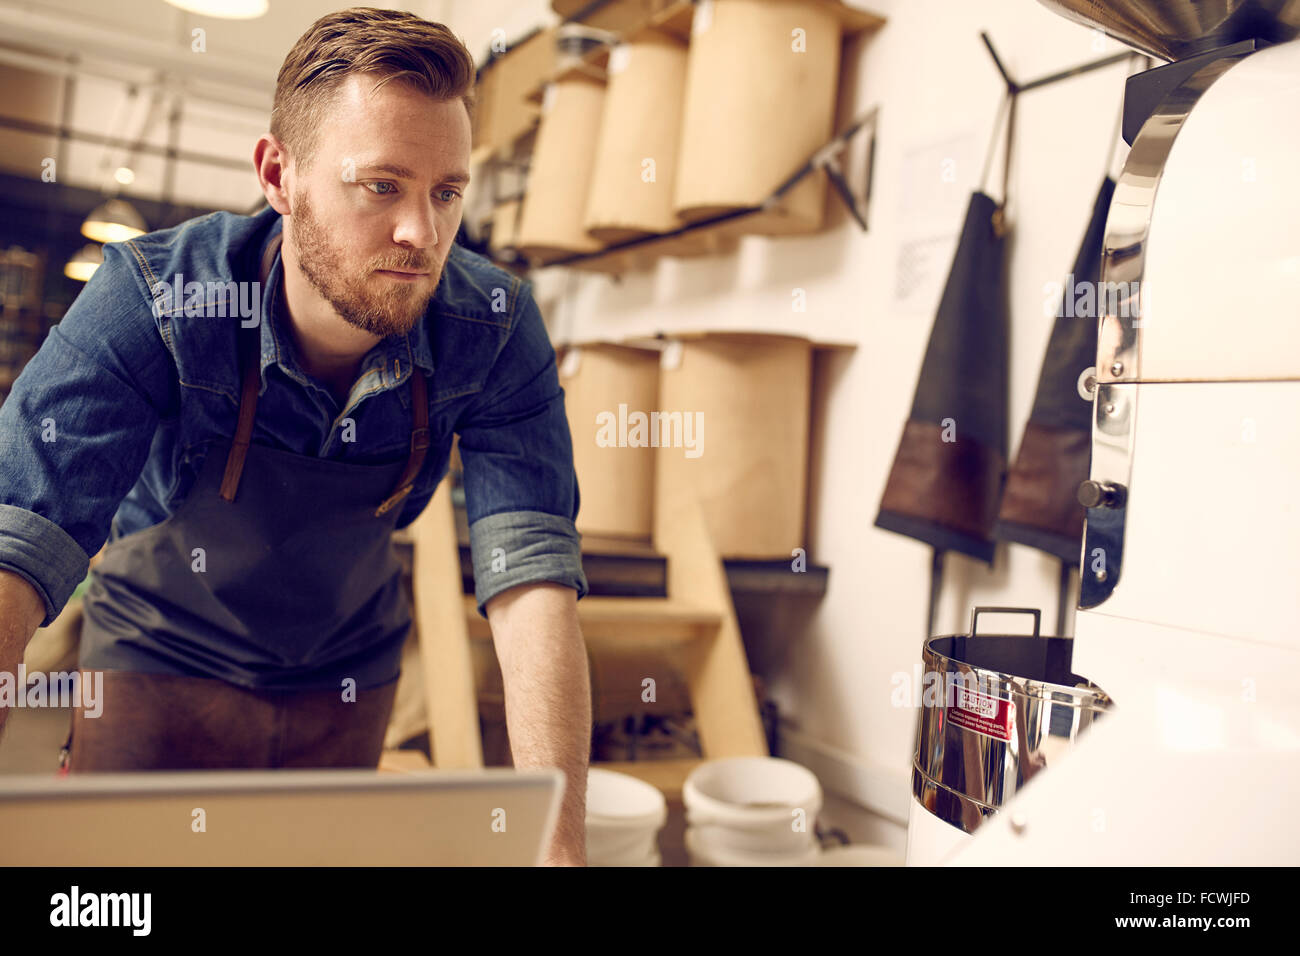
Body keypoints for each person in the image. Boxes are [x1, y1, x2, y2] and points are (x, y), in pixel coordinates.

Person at [0, 7, 591, 866]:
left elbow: (533, 578)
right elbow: (17, 545)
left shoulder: (493, 327)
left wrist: (560, 846)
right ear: (280, 175)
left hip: (344, 674)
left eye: (446, 192)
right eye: (382, 185)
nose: (421, 234)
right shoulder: (156, 300)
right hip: (156, 661)